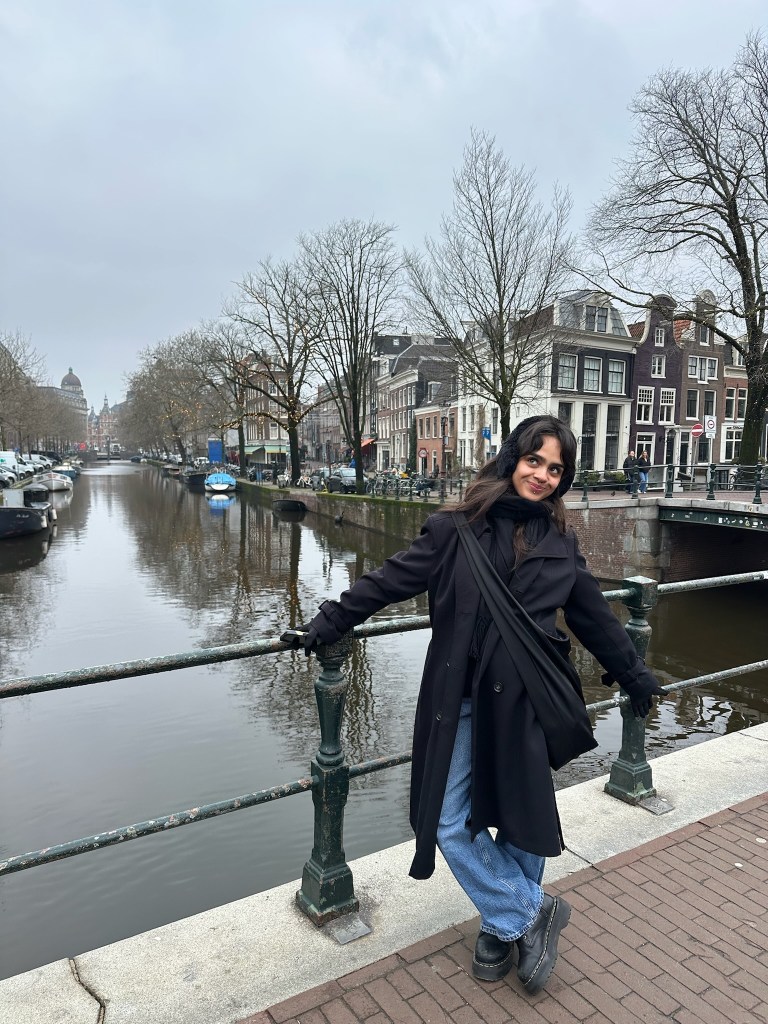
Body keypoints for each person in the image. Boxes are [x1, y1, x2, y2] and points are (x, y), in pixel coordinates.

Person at [281, 416, 663, 996]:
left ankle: (500, 924)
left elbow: (594, 618)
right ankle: (529, 912)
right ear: (512, 459)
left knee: (520, 815)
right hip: (457, 698)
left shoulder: (560, 544)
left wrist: (635, 675)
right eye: (534, 460)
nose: (542, 475)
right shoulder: (453, 530)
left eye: (555, 469)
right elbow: (388, 580)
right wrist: (331, 618)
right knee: (445, 820)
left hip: (526, 700)